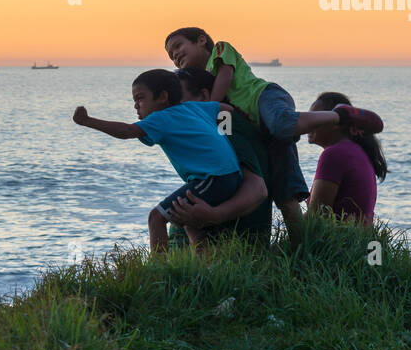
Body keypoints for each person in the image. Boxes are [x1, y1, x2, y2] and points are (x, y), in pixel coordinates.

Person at [163, 27, 384, 241]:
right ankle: (301, 246)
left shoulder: (220, 53)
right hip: (258, 124)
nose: (175, 55)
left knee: (283, 127)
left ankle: (339, 115)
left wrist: (208, 108)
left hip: (264, 97)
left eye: (178, 46)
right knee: (282, 182)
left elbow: (226, 78)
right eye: (171, 55)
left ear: (201, 40)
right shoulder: (207, 86)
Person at [73, 69, 241, 252]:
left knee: (156, 218)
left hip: (214, 178)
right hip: (229, 174)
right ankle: (206, 266)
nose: (136, 106)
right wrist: (225, 135)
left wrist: (88, 121)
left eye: (140, 98)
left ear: (162, 97)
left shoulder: (162, 117)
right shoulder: (195, 107)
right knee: (187, 219)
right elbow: (227, 110)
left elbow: (127, 131)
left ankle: (158, 271)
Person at [165, 68, 271, 244]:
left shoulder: (224, 122)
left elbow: (257, 188)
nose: (170, 109)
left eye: (177, 100)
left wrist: (215, 215)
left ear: (204, 97)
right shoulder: (202, 126)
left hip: (231, 249)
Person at [306, 91, 386, 225]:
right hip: (357, 242)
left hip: (339, 243)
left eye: (316, 117)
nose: (309, 123)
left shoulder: (334, 154)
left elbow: (316, 216)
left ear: (336, 122)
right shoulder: (355, 151)